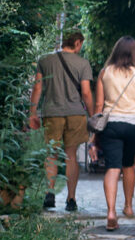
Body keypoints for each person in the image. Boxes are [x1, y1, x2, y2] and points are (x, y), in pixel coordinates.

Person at [88, 36, 135, 231]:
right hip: (134, 125)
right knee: (129, 164)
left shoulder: (105, 73)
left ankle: (111, 212)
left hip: (111, 124)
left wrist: (93, 136)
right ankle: (129, 207)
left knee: (113, 167)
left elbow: (99, 105)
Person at [29, 31, 93, 211]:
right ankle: (71, 200)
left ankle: (49, 194)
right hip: (75, 114)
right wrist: (94, 113)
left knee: (52, 154)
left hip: (52, 113)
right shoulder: (83, 63)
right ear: (78, 43)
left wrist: (32, 112)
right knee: (71, 156)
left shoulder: (45, 60)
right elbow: (86, 93)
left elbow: (37, 88)